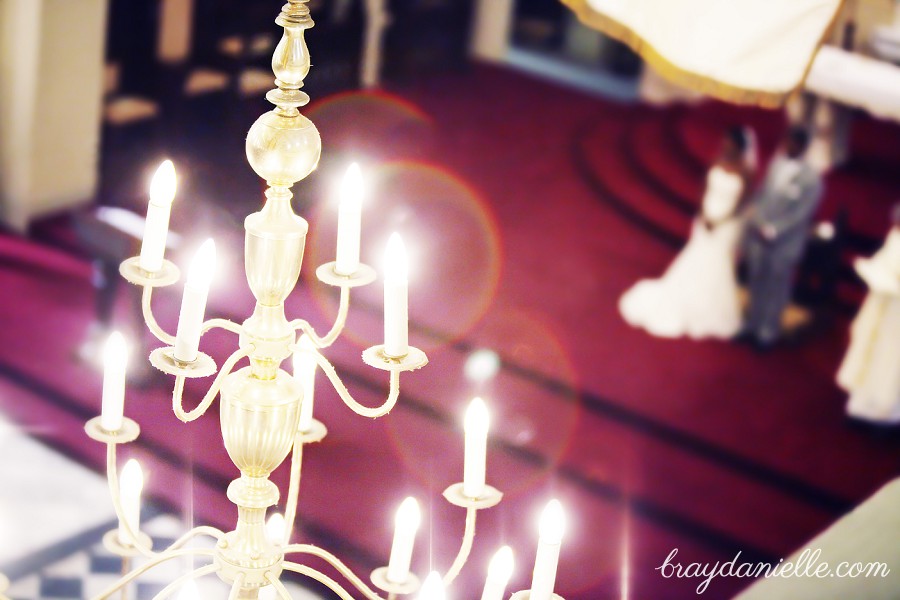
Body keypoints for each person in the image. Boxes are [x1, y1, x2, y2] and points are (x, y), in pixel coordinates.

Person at [619, 126, 756, 339]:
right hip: (706, 216)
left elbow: (742, 203)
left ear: (739, 146)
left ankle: (708, 308)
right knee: (696, 255)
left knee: (716, 262)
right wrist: (704, 214)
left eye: (730, 142)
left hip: (725, 223)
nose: (726, 145)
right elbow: (704, 188)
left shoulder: (745, 172)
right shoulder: (717, 161)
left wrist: (720, 220)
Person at [741, 127, 823, 349]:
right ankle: (750, 326)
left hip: (784, 243)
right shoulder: (775, 164)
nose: (789, 146)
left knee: (776, 288)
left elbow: (802, 214)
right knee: (756, 281)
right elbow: (762, 194)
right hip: (759, 236)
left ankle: (767, 332)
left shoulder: (811, 179)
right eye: (787, 141)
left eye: (794, 143)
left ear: (803, 147)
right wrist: (757, 222)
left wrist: (774, 230)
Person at [837, 204, 900, 423]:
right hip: (882, 302)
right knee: (869, 344)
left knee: (890, 359)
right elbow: (885, 260)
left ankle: (885, 413)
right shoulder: (896, 234)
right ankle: (861, 404)